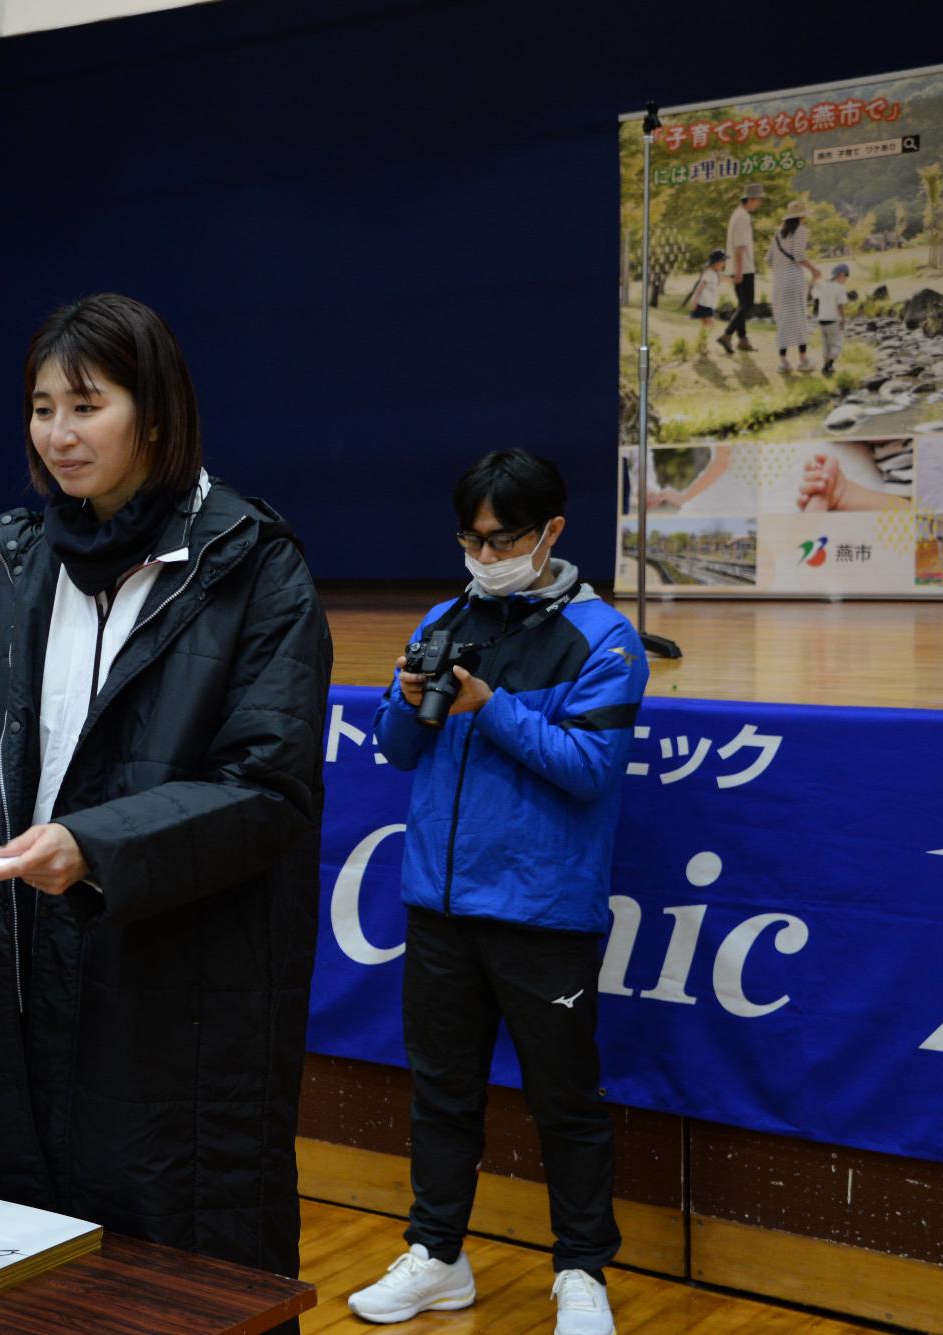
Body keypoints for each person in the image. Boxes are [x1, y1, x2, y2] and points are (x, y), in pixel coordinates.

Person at [0, 293, 333, 1305]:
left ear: (153, 414)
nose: (56, 436)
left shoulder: (250, 563)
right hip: (18, 979)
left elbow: (266, 787)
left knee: (169, 1279)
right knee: (18, 1263)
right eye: (40, 408)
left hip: (174, 997)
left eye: (85, 407)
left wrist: (96, 845)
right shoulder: (17, 560)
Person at [347, 450, 649, 1335]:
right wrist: (407, 697)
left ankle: (582, 1272)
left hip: (543, 913)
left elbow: (590, 770)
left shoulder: (605, 639)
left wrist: (491, 704)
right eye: (472, 539)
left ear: (552, 531)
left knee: (566, 1102)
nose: (485, 554)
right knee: (442, 1094)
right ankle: (439, 1255)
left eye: (504, 537)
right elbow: (399, 748)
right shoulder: (446, 614)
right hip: (439, 906)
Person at [770, 200, 822, 373]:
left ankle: (783, 362)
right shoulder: (801, 231)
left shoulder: (777, 234)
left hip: (779, 281)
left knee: (783, 320)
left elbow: (768, 259)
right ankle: (803, 360)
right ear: (801, 216)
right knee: (799, 318)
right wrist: (814, 270)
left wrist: (782, 267)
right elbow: (798, 255)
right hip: (794, 280)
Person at [716, 182, 765, 354]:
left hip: (737, 266)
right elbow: (739, 247)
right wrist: (739, 272)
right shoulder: (743, 217)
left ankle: (743, 340)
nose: (759, 204)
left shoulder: (736, 214)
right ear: (751, 199)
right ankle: (727, 335)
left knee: (742, 304)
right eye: (758, 200)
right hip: (743, 268)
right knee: (747, 304)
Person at [812, 261, 853, 373]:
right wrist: (843, 320)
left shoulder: (823, 285)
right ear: (841, 275)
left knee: (826, 345)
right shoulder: (839, 288)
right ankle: (829, 365)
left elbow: (814, 294)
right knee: (837, 344)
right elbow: (840, 306)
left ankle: (826, 366)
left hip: (822, 320)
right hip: (832, 320)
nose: (846, 279)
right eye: (846, 276)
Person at [685, 248, 726, 331]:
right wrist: (694, 301)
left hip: (708, 303)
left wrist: (735, 280)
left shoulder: (715, 273)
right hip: (703, 303)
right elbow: (699, 287)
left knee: (707, 325)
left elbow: (722, 279)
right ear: (716, 262)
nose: (724, 263)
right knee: (710, 324)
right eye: (723, 261)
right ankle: (704, 339)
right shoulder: (708, 273)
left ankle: (703, 339)